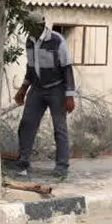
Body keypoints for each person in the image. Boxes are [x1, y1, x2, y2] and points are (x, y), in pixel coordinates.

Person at [13, 11, 77, 178]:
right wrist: (23, 90)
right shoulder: (29, 42)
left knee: (59, 128)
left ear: (40, 26)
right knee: (27, 124)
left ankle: (62, 166)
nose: (28, 30)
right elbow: (31, 68)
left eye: (31, 27)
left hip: (57, 89)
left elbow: (67, 68)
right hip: (37, 89)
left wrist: (69, 95)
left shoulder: (56, 40)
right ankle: (23, 161)